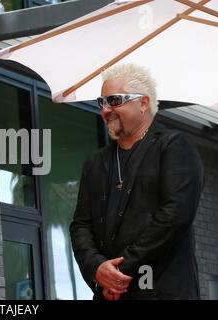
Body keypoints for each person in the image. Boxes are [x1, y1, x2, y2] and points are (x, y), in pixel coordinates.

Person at [70, 63, 203, 300]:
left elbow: (175, 215)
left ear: (143, 103)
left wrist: (120, 271)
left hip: (162, 292)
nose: (105, 110)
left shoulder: (173, 147)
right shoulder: (95, 163)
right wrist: (97, 269)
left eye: (114, 101)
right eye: (102, 103)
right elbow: (81, 225)